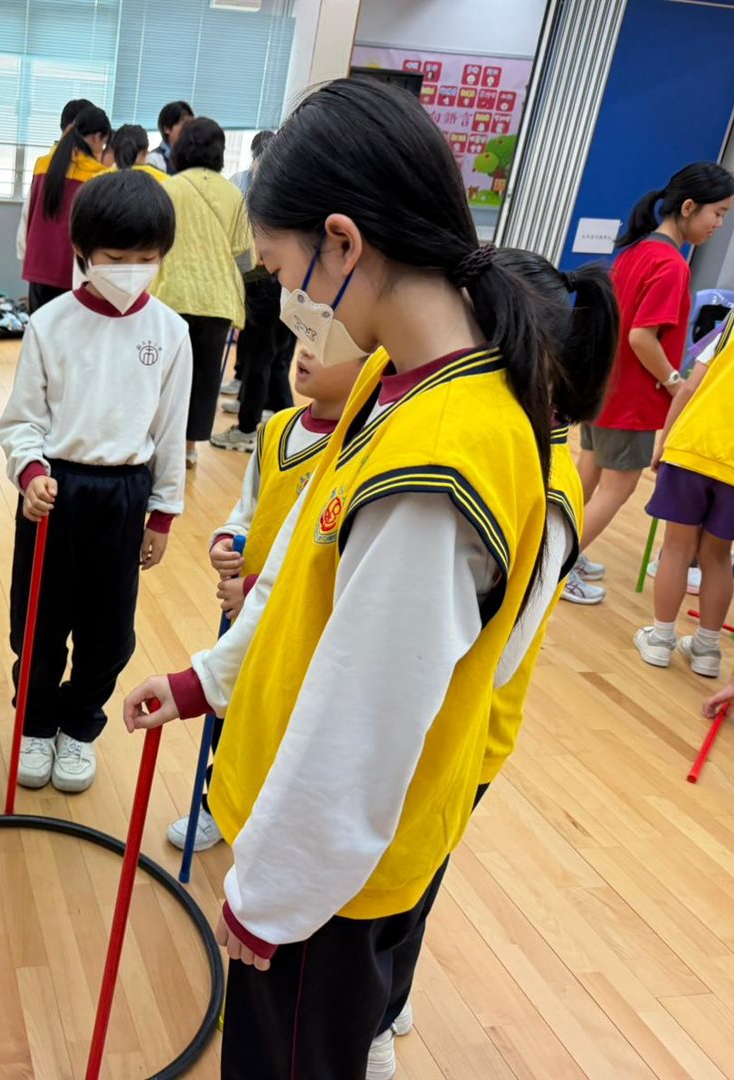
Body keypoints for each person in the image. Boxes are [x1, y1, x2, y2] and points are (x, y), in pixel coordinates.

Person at [123, 77, 555, 1079]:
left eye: (283, 269)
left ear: (343, 243)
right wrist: (208, 680)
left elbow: (366, 721)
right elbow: (296, 582)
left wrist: (269, 897)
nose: (289, 301)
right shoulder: (391, 382)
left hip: (327, 890)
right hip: (307, 858)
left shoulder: (443, 455)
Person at [366, 252, 618, 1079]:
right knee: (395, 874)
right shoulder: (505, 443)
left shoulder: (545, 485)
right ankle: (383, 998)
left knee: (405, 883)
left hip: (460, 735)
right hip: (433, 725)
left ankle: (379, 1012)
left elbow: (499, 650)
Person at [0, 169, 190, 794]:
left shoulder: (171, 333)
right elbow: (22, 419)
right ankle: (35, 722)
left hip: (125, 494)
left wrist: (162, 514)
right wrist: (30, 472)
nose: (131, 271)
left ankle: (80, 725)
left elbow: (170, 431)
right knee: (38, 620)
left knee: (109, 630)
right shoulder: (50, 323)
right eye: (115, 258)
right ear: (83, 251)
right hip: (55, 493)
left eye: (145, 259)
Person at [169, 346, 368, 853]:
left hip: (298, 621)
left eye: (330, 345)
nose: (308, 351)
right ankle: (218, 802)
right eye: (307, 337)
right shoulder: (275, 428)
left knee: (285, 722)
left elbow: (329, 556)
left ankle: (270, 822)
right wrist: (225, 538)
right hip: (244, 612)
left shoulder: (362, 446)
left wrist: (256, 586)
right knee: (230, 707)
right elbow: (249, 509)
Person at [568, 162, 734, 605]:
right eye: (717, 213)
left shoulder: (637, 250)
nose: (719, 224)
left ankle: (561, 554)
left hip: (604, 387)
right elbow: (641, 336)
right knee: (617, 488)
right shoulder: (670, 264)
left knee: (588, 473)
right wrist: (675, 382)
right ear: (689, 207)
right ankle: (556, 571)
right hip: (632, 398)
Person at [634, 302, 734, 678]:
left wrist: (665, 441)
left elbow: (688, 389)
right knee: (718, 556)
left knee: (676, 548)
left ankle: (660, 639)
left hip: (693, 449)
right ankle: (707, 649)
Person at [150, 117, 253, 466]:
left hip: (170, 296)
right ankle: (189, 449)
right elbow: (244, 258)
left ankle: (158, 445)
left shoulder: (169, 189)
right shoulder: (234, 194)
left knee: (164, 375)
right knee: (205, 377)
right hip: (217, 301)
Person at [213, 130, 294, 453]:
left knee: (266, 360)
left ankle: (250, 428)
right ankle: (264, 414)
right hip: (266, 282)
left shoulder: (279, 192)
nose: (258, 166)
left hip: (273, 284)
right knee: (261, 357)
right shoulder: (257, 185)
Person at [20, 105, 110, 312]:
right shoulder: (98, 175)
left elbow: (29, 215)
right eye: (104, 143)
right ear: (97, 137)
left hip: (38, 265)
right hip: (70, 270)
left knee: (39, 326)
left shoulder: (42, 164)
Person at [146, 100, 193, 174]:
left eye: (191, 124)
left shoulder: (193, 158)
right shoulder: (153, 160)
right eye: (185, 124)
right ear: (167, 129)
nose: (189, 129)